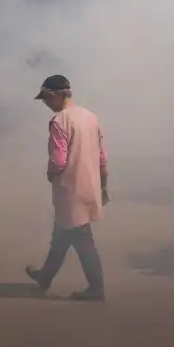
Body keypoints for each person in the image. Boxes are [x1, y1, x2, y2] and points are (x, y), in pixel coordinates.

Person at [26, 75, 110, 301]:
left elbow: (58, 161)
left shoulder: (60, 121)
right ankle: (45, 276)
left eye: (45, 99)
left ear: (54, 95)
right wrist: (103, 187)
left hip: (70, 190)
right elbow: (102, 158)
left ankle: (96, 289)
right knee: (62, 233)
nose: (45, 104)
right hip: (89, 187)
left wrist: (50, 174)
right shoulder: (90, 117)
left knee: (82, 239)